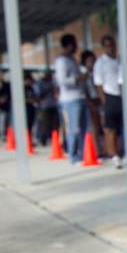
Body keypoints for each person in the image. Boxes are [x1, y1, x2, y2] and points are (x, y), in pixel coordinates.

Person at [55, 33, 87, 163]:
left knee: (82, 128)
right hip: (69, 100)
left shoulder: (72, 60)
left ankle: (83, 153)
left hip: (80, 97)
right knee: (73, 128)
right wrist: (77, 79)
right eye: (75, 44)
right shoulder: (61, 61)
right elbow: (62, 81)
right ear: (69, 45)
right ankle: (73, 156)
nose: (77, 47)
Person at [93, 34, 124, 168]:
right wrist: (104, 101)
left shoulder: (119, 60)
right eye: (107, 46)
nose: (110, 48)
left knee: (121, 127)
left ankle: (120, 150)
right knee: (110, 128)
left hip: (121, 96)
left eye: (112, 45)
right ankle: (113, 154)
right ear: (104, 47)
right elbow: (99, 84)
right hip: (109, 95)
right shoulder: (101, 63)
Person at [80, 49, 104, 157]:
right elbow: (84, 91)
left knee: (103, 125)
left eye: (93, 60)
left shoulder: (98, 73)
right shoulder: (84, 76)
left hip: (100, 100)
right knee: (94, 126)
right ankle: (96, 150)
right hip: (91, 101)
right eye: (90, 61)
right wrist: (90, 102)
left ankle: (104, 148)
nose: (92, 63)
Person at [34, 70, 59, 147]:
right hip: (44, 107)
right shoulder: (40, 83)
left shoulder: (53, 82)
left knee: (55, 124)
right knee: (45, 124)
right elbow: (38, 95)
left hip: (54, 105)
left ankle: (54, 140)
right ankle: (43, 139)